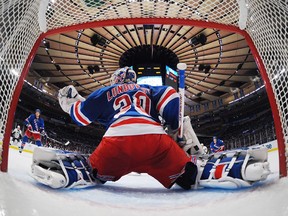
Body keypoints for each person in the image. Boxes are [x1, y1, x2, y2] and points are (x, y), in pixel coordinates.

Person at [31, 67, 271, 190]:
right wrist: (175, 130)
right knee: (190, 175)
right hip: (155, 140)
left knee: (94, 171)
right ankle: (237, 169)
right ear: (133, 79)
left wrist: (68, 101)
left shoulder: (105, 92)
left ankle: (69, 173)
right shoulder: (147, 89)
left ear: (115, 80)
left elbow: (80, 117)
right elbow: (173, 102)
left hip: (117, 141)